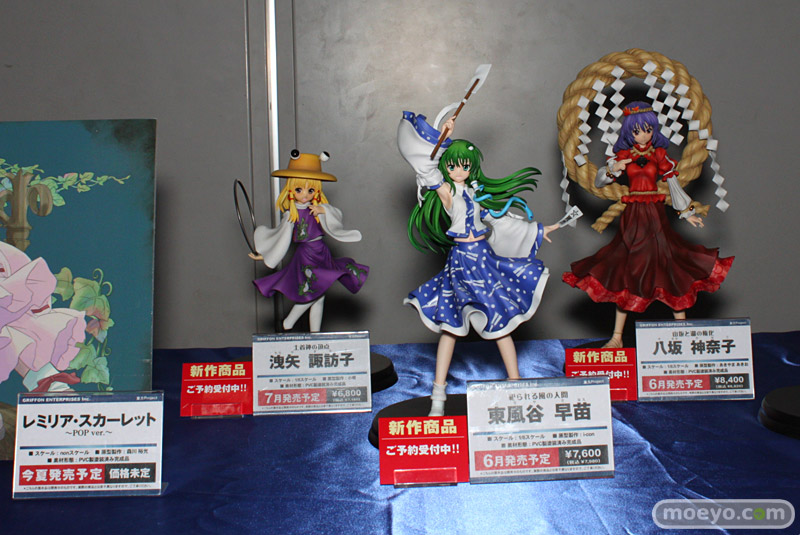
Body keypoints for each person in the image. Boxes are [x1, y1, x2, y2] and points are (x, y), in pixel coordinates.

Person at [398, 112, 559, 415]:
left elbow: (500, 220)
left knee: (501, 321)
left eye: (465, 165)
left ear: (471, 167)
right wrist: (442, 136)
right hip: (461, 262)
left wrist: (537, 230)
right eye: (453, 165)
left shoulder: (474, 194)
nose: (459, 170)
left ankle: (515, 385)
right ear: (447, 166)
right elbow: (427, 170)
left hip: (483, 259)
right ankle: (438, 395)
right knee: (450, 326)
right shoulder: (447, 193)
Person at [563, 101, 733, 348]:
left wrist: (686, 212)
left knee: (669, 267)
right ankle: (617, 337)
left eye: (648, 130)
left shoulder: (659, 155)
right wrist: (613, 170)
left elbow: (673, 185)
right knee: (627, 270)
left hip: (654, 215)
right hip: (633, 217)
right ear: (628, 132)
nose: (643, 135)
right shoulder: (623, 156)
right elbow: (599, 182)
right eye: (637, 131)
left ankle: (683, 332)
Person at [250, 151, 368, 332]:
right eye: (299, 189)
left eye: (310, 190)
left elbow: (336, 216)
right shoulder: (292, 214)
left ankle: (315, 334)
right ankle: (289, 321)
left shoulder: (318, 208)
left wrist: (323, 210)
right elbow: (281, 236)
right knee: (314, 292)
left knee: (320, 296)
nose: (305, 194)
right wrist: (265, 254)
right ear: (291, 190)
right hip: (307, 255)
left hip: (321, 252)